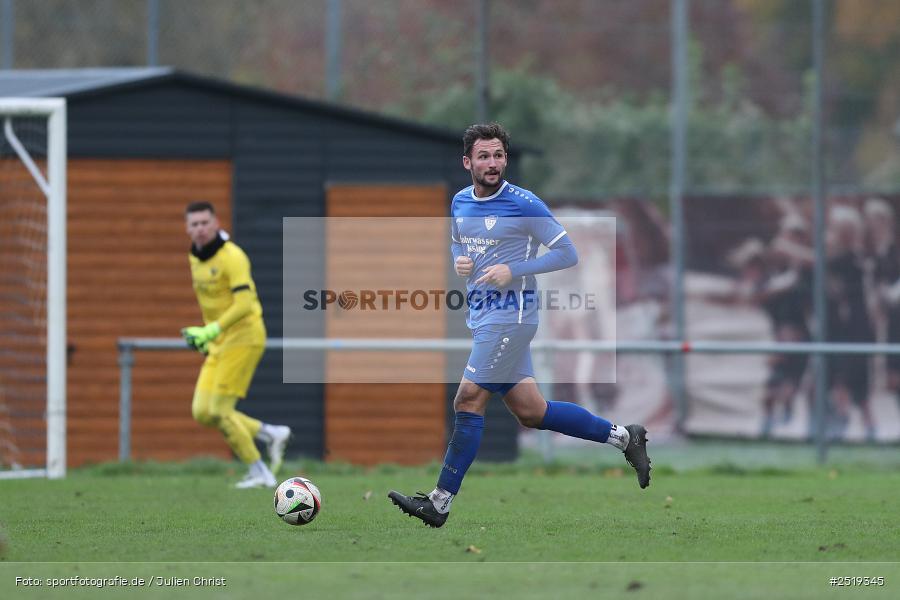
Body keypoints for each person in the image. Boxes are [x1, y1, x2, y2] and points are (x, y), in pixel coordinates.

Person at [388, 123, 650, 528]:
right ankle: (624, 437)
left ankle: (439, 502)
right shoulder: (460, 201)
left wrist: (515, 269)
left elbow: (567, 253)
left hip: (512, 316)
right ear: (467, 162)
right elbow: (461, 243)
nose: (492, 164)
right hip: (483, 316)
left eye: (498, 156)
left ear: (505, 159)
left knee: (467, 400)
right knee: (532, 411)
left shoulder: (524, 203)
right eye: (484, 156)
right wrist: (460, 261)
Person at [181, 201, 291, 488]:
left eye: (205, 223)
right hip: (219, 340)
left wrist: (212, 329)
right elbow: (211, 304)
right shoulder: (195, 258)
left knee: (219, 410)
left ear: (216, 223)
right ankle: (269, 433)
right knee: (202, 412)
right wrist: (209, 336)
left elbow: (244, 304)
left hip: (245, 336)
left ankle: (261, 473)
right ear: (187, 229)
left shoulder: (233, 257)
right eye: (194, 224)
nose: (200, 229)